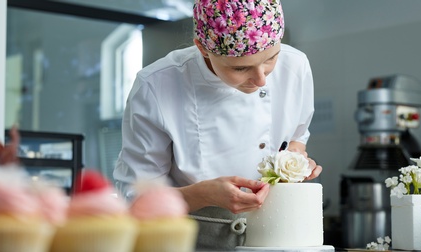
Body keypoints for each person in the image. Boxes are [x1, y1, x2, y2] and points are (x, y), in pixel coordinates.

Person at [114, 0, 322, 249]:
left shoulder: (296, 65)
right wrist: (202, 194)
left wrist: (296, 160)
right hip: (192, 240)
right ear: (203, 48)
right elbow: (138, 199)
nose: (260, 80)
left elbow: (297, 136)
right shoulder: (156, 85)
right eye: (241, 67)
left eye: (271, 59)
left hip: (276, 236)